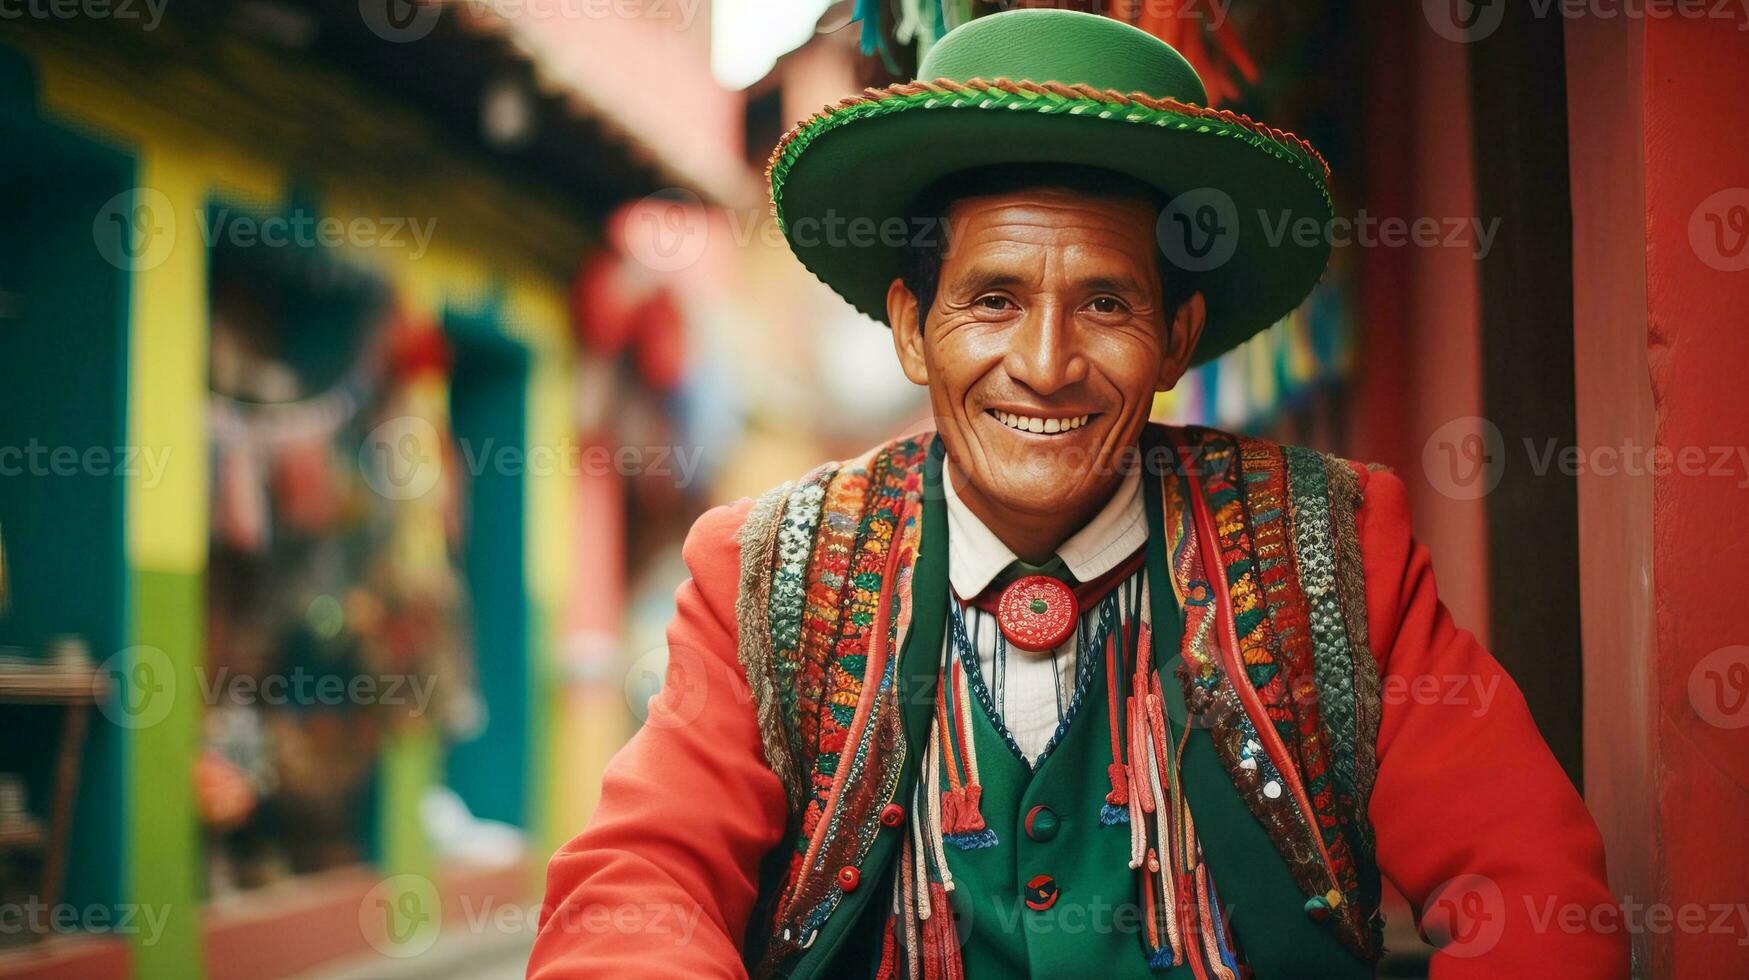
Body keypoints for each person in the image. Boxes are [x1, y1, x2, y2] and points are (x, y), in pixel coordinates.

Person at [530, 9, 1626, 978]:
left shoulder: (1335, 552)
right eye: (994, 300)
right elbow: (637, 892)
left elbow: (1539, 898)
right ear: (914, 328)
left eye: (1105, 304)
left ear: (1175, 340)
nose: (1046, 363)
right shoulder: (769, 574)